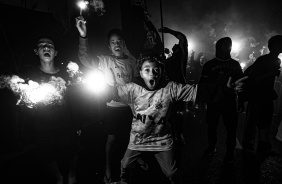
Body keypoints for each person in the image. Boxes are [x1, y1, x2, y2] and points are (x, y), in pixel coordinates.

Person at [75, 17, 139, 184]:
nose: (116, 44)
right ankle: (108, 169)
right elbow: (85, 59)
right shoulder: (104, 60)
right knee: (111, 139)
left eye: (119, 41)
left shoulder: (132, 61)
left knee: (131, 138)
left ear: (123, 43)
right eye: (112, 42)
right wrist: (83, 36)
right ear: (109, 46)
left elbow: (138, 82)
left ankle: (130, 166)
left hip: (130, 108)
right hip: (112, 108)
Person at [22, 35, 80, 184]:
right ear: (36, 51)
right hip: (43, 125)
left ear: (56, 52)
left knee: (72, 150)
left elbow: (75, 100)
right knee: (47, 154)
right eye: (42, 45)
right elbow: (26, 102)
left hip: (66, 122)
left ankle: (72, 174)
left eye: (50, 46)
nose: (46, 47)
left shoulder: (66, 74)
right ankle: (59, 177)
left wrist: (77, 122)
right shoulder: (31, 76)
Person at [198, 37, 244, 164]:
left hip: (229, 102)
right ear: (218, 47)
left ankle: (230, 151)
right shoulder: (209, 65)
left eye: (228, 45)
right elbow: (203, 83)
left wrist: (241, 100)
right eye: (223, 45)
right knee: (211, 126)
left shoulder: (235, 64)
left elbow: (241, 83)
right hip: (214, 102)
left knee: (231, 128)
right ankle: (211, 146)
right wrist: (201, 100)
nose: (226, 48)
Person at [241, 35, 282, 159]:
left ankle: (263, 147)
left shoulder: (276, 60)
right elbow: (253, 77)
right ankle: (247, 147)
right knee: (252, 121)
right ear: (273, 46)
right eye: (280, 43)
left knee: (266, 122)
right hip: (257, 95)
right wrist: (271, 73)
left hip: (266, 95)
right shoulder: (264, 60)